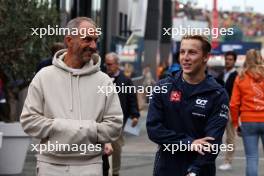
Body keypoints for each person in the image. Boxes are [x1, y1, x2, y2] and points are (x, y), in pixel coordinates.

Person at [20, 17, 123, 176]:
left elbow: (115, 126)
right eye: (87, 39)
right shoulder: (43, 77)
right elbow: (29, 121)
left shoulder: (104, 81)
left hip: (90, 167)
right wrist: (79, 129)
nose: (94, 46)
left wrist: (63, 129)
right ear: (69, 40)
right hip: (50, 166)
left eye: (95, 40)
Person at [146, 35, 229, 176]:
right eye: (182, 52)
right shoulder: (163, 86)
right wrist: (189, 143)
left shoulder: (217, 93)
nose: (185, 57)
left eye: (192, 52)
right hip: (166, 168)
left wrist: (194, 171)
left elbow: (212, 143)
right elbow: (154, 129)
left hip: (200, 170)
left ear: (205, 57)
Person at [104, 52, 140, 176]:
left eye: (110, 64)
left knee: (116, 148)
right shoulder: (101, 78)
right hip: (101, 120)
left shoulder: (126, 80)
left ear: (117, 64)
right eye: (106, 64)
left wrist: (135, 115)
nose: (108, 67)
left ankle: (115, 172)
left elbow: (132, 99)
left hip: (118, 121)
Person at [230, 49, 264, 176]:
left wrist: (235, 124)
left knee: (251, 158)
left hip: (248, 121)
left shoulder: (241, 77)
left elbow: (233, 104)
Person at [217, 51, 238, 171]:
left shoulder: (236, 76)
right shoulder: (220, 75)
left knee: (230, 137)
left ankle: (228, 161)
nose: (227, 61)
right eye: (226, 59)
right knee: (213, 135)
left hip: (230, 109)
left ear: (234, 61)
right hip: (218, 108)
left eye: (230, 59)